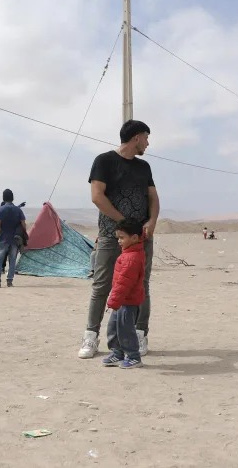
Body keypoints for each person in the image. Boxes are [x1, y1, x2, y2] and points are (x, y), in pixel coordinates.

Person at [78, 119, 159, 359]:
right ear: (136, 138)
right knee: (102, 285)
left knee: (140, 285)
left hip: (142, 237)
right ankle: (91, 337)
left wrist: (152, 221)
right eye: (146, 137)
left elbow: (153, 197)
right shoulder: (104, 161)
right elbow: (97, 196)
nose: (147, 142)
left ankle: (140, 334)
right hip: (110, 235)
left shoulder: (144, 167)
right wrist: (123, 222)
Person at [102, 218, 147, 369]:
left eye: (122, 238)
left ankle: (134, 356)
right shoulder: (128, 254)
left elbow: (124, 283)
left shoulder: (132, 258)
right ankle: (117, 353)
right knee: (114, 327)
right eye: (118, 238)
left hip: (127, 302)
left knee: (125, 329)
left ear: (134, 238)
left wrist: (113, 301)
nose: (119, 241)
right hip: (121, 300)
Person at [0, 189, 26, 288]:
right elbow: (23, 225)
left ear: (3, 198)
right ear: (13, 198)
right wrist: (23, 237)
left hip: (3, 238)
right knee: (12, 260)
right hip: (15, 240)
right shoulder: (18, 210)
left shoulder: (1, 210)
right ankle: (9, 281)